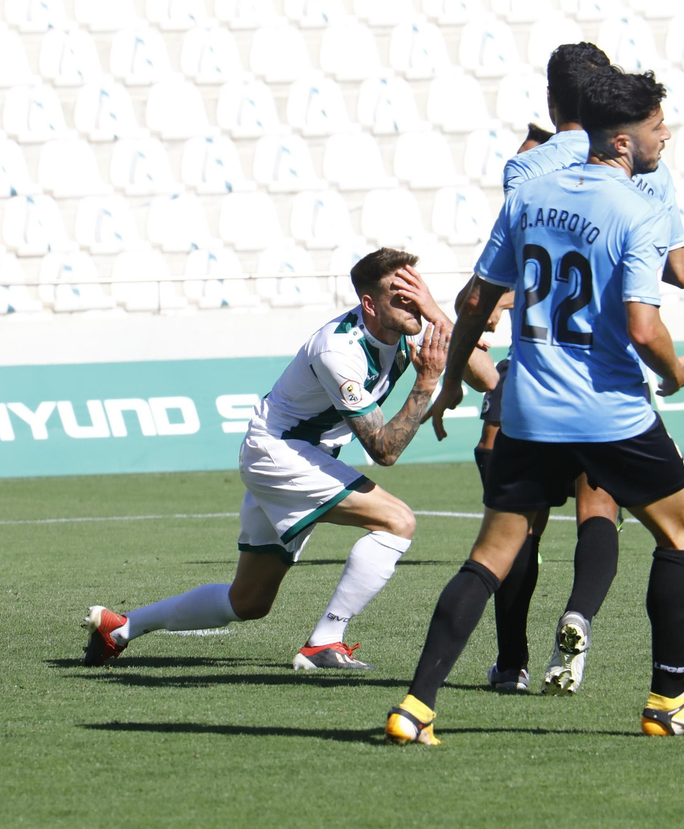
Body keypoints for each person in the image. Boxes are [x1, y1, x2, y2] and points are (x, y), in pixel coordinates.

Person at [385, 67, 684, 744]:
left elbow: (473, 300)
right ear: (621, 139)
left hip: (528, 409)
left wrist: (455, 381)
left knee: (490, 554)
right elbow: (643, 327)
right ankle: (668, 702)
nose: (664, 136)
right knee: (681, 532)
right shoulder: (639, 210)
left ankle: (415, 706)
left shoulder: (531, 191)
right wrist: (674, 375)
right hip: (609, 410)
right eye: (656, 126)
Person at [84, 249, 490, 671]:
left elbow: (483, 377)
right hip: (279, 452)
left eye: (416, 293)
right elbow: (384, 450)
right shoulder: (338, 350)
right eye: (400, 296)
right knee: (397, 521)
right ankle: (325, 641)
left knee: (248, 602)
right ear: (370, 304)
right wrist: (426, 381)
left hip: (298, 454)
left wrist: (435, 310)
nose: (412, 306)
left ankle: (119, 628)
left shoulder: (410, 324)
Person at [483, 44, 684, 697]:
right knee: (602, 505)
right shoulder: (644, 168)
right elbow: (681, 273)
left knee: (513, 529)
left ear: (555, 102)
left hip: (534, 372)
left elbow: (501, 274)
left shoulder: (528, 167)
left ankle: (511, 663)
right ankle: (586, 618)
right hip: (603, 381)